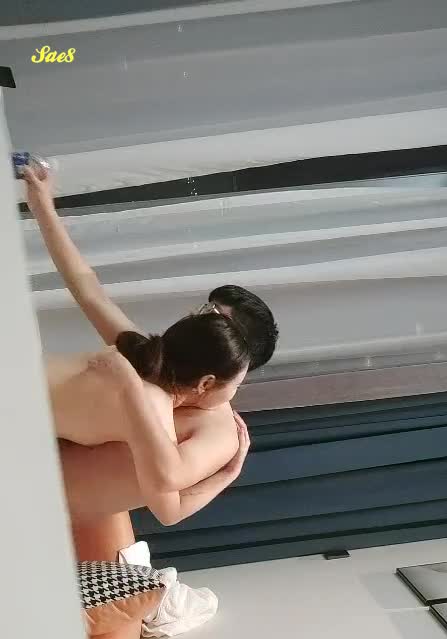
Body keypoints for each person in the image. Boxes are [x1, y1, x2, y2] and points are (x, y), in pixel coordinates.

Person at [24, 165, 278, 525]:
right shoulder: (150, 405)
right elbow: (168, 492)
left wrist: (43, 206)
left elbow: (88, 287)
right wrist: (228, 475)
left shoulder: (134, 351)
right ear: (206, 380)